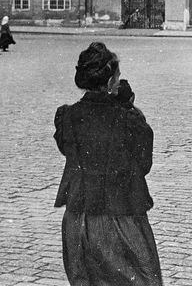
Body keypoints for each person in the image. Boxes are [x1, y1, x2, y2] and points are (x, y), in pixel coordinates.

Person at [53, 42, 163, 286]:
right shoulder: (127, 119)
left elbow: (66, 148)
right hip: (120, 217)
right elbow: (143, 163)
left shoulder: (68, 116)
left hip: (78, 218)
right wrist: (129, 108)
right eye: (118, 76)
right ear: (111, 81)